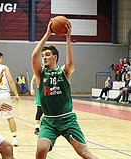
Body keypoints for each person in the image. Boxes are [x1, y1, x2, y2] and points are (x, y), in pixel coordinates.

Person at [31, 20, 97, 159]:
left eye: (47, 55)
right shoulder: (40, 73)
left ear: (55, 57)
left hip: (67, 119)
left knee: (85, 153)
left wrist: (68, 38)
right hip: (48, 121)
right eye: (43, 56)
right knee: (41, 149)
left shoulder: (64, 72)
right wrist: (48, 33)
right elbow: (34, 56)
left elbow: (70, 62)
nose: (44, 58)